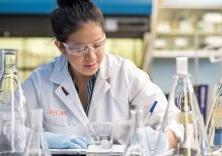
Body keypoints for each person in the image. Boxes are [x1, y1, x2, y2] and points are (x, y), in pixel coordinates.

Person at [22, 0, 181, 150]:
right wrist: (44, 139)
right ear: (61, 47)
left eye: (97, 44)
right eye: (80, 48)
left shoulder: (125, 73)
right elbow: (6, 129)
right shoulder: (40, 81)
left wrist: (163, 140)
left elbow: (172, 123)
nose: (91, 56)